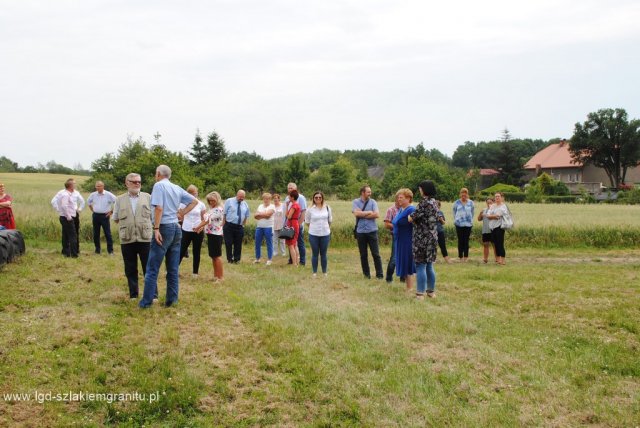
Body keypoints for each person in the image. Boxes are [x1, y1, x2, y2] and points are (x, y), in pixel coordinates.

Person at [139, 165, 198, 308]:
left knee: (152, 268)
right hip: (177, 228)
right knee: (172, 268)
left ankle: (146, 302)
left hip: (164, 227)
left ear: (158, 173)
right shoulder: (176, 187)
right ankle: (172, 301)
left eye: (155, 173)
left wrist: (157, 228)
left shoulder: (159, 186)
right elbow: (194, 201)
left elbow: (159, 208)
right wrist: (181, 214)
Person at [112, 173, 153, 299]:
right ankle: (133, 295)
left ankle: (152, 294)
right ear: (127, 183)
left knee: (149, 267)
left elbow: (153, 217)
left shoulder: (148, 197)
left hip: (145, 237)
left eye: (139, 182)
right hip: (127, 238)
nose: (137, 184)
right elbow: (116, 218)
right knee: (130, 268)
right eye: (134, 181)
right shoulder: (119, 199)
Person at [408, 180, 439, 299]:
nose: (419, 190)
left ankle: (420, 294)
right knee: (430, 265)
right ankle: (431, 292)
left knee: (420, 265)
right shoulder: (434, 202)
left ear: (424, 189)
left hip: (422, 238)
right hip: (432, 237)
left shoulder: (424, 203)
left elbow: (411, 218)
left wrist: (409, 216)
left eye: (420, 188)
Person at [352, 185, 383, 279]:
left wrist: (362, 214)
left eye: (370, 192)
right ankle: (366, 275)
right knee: (363, 254)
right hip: (360, 231)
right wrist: (369, 212)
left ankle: (380, 275)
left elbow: (377, 214)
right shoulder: (355, 202)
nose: (370, 193)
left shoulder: (373, 202)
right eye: (368, 192)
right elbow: (356, 213)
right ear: (363, 193)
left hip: (372, 230)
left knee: (376, 254)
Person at [194, 191, 225, 282]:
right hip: (211, 234)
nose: (211, 202)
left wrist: (198, 227)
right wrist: (201, 227)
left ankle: (221, 277)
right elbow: (207, 221)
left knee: (217, 256)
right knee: (213, 256)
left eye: (213, 201)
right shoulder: (211, 208)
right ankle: (216, 276)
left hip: (216, 235)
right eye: (209, 200)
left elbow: (207, 220)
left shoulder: (218, 209)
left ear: (217, 200)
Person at [178, 185, 206, 277]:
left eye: (195, 193)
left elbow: (204, 218)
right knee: (181, 250)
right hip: (186, 229)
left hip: (198, 231)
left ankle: (195, 272)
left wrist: (201, 227)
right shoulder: (183, 204)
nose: (194, 195)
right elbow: (180, 217)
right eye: (192, 194)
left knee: (196, 251)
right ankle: (173, 270)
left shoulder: (201, 204)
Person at [52, 179, 85, 255]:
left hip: (74, 213)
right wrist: (61, 211)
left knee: (71, 233)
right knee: (71, 234)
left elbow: (82, 201)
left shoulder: (75, 193)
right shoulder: (64, 194)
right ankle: (72, 253)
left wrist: (79, 209)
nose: (75, 185)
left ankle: (72, 251)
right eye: (74, 184)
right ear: (70, 186)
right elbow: (61, 205)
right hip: (67, 216)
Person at [391, 189, 416, 291]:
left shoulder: (411, 210)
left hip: (407, 240)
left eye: (401, 197)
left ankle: (410, 288)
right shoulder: (401, 209)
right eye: (398, 197)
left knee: (407, 263)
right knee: (402, 262)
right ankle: (407, 286)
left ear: (408, 198)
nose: (399, 199)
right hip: (399, 240)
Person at [305, 191, 332, 277]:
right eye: (316, 197)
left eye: (320, 197)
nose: (318, 199)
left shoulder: (327, 207)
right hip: (313, 234)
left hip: (325, 234)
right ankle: (314, 272)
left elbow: (329, 220)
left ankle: (324, 272)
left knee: (323, 253)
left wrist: (325, 228)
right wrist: (313, 228)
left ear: (322, 198)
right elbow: (307, 221)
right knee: (315, 253)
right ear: (313, 198)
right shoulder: (310, 209)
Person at [87, 181, 116, 255]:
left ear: (103, 186)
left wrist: (111, 211)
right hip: (96, 216)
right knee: (96, 233)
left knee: (107, 233)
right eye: (96, 186)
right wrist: (93, 210)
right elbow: (89, 202)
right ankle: (97, 250)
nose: (98, 188)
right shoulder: (93, 195)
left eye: (99, 186)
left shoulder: (108, 194)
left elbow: (117, 202)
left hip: (105, 216)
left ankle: (110, 251)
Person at [222, 190, 250, 264]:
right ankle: (229, 259)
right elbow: (224, 213)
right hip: (229, 225)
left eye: (243, 197)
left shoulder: (245, 204)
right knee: (228, 243)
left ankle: (237, 259)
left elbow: (246, 216)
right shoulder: (229, 201)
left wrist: (243, 225)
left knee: (238, 244)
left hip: (239, 227)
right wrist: (224, 223)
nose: (241, 198)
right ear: (237, 195)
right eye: (240, 197)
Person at [285, 183, 307, 265]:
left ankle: (302, 261)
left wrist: (299, 224)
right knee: (293, 244)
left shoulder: (300, 198)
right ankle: (292, 260)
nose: (290, 189)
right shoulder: (287, 198)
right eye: (289, 188)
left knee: (297, 243)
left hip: (295, 223)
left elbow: (303, 211)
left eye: (292, 188)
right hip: (290, 224)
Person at [485, 192, 510, 265]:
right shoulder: (492, 206)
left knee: (500, 243)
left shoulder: (503, 206)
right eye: (496, 197)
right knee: (495, 243)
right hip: (492, 227)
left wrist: (491, 216)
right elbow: (488, 215)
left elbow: (499, 215)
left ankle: (503, 259)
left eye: (498, 196)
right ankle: (498, 259)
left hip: (500, 226)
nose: (497, 198)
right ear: (494, 198)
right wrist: (493, 216)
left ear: (501, 197)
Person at [452, 187, 474, 262]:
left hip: (468, 224)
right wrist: (456, 220)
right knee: (460, 240)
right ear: (460, 194)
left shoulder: (471, 203)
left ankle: (466, 257)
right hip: (459, 224)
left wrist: (470, 220)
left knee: (466, 240)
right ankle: (460, 257)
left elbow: (472, 212)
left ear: (467, 194)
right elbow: (454, 212)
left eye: (465, 194)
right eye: (462, 194)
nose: (463, 196)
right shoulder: (456, 203)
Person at [254, 192, 275, 265]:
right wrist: (264, 214)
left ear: (270, 199)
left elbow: (268, 215)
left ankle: (269, 259)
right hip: (259, 227)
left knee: (269, 243)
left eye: (267, 199)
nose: (266, 200)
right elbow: (255, 216)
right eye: (264, 199)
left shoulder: (272, 206)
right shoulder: (260, 206)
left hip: (268, 227)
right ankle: (257, 258)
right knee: (257, 243)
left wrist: (260, 214)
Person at [383, 195, 400, 283]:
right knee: (394, 258)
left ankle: (403, 278)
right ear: (396, 199)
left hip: (407, 237)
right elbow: (386, 224)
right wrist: (398, 226)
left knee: (405, 258)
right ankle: (389, 278)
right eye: (399, 198)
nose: (401, 200)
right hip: (396, 236)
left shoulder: (406, 209)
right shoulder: (391, 210)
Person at [477, 197, 496, 264]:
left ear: (493, 203)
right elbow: (479, 219)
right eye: (487, 203)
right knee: (485, 244)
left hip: (493, 230)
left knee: (494, 245)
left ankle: (497, 258)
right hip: (485, 230)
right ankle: (485, 259)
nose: (489, 204)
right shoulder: (484, 210)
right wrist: (480, 213)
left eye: (490, 202)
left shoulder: (495, 210)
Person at [285, 189, 301, 267]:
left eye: (289, 196)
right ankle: (297, 262)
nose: (288, 197)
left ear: (292, 197)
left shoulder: (293, 205)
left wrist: (287, 206)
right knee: (295, 244)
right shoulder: (297, 205)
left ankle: (294, 263)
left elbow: (288, 216)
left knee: (291, 245)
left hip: (292, 224)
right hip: (296, 224)